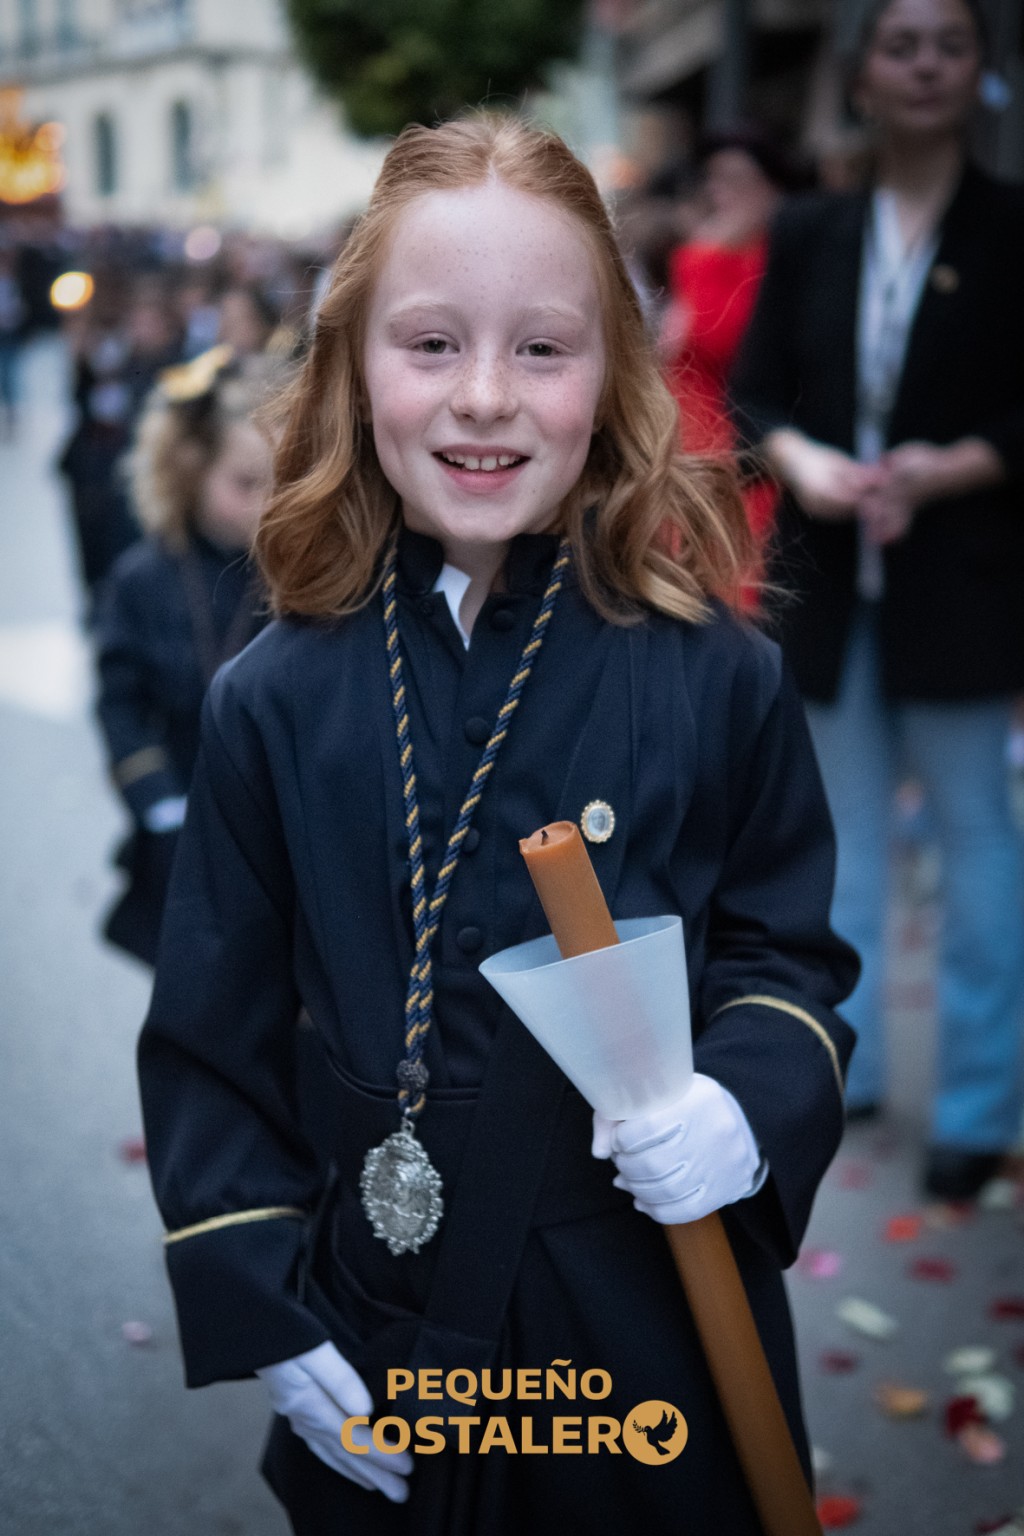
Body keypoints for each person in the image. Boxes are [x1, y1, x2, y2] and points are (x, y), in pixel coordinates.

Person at [137, 114, 857, 1535]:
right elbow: (210, 1045)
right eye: (430, 345)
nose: (484, 399)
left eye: (542, 347)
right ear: (352, 367)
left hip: (637, 1327)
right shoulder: (269, 700)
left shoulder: (718, 677)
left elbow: (789, 962)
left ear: (613, 377)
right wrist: (268, 1313)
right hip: (379, 1320)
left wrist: (746, 1105)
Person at [731, 0, 1024, 1199]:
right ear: (861, 74)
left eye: (946, 45)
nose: (922, 65)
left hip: (959, 592)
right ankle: (830, 1072)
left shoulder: (1012, 229)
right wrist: (802, 464)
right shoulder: (810, 228)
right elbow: (751, 395)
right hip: (825, 592)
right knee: (831, 851)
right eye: (898, 45)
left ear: (978, 70)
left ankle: (975, 1108)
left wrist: (951, 465)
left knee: (977, 852)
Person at [93, 349, 279, 965]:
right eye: (246, 484)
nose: (266, 506)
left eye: (282, 483)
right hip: (178, 827)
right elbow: (120, 702)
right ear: (192, 468)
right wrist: (160, 805)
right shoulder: (141, 578)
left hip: (273, 840)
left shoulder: (296, 575)